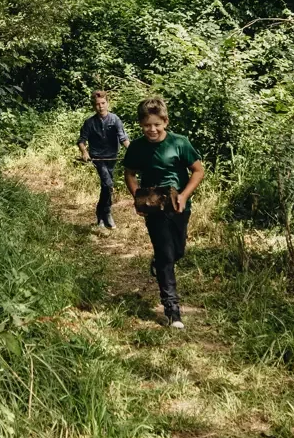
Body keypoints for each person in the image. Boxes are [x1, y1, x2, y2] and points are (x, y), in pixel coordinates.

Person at [122, 95, 205, 329]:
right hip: (154, 208)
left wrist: (184, 195)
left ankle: (159, 262)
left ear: (165, 122)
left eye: (157, 124)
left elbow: (198, 171)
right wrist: (138, 197)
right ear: (141, 124)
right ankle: (172, 309)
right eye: (147, 125)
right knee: (166, 255)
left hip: (178, 206)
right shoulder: (137, 147)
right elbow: (130, 173)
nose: (152, 129)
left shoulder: (180, 143)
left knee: (177, 251)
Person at [76, 88, 129, 233]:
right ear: (94, 106)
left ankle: (100, 215)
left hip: (112, 157)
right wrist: (84, 152)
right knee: (108, 184)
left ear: (107, 103)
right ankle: (107, 213)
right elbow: (81, 140)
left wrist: (132, 151)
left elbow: (123, 138)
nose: (101, 106)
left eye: (103, 103)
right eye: (98, 104)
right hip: (97, 157)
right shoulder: (89, 122)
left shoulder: (115, 119)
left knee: (106, 186)